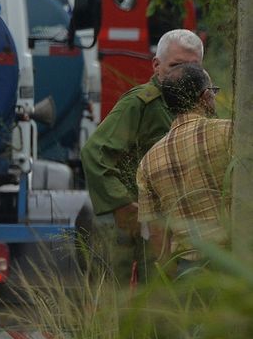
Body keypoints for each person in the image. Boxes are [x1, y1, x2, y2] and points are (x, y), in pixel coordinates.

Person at [81, 28, 204, 281]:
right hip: (144, 229)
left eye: (193, 68)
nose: (184, 74)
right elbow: (96, 153)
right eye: (176, 65)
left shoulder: (200, 105)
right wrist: (124, 205)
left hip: (183, 230)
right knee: (139, 305)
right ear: (156, 65)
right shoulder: (141, 104)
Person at [136, 63, 232, 273]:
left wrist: (171, 277)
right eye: (213, 92)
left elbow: (156, 232)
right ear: (206, 96)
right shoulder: (229, 132)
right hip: (235, 261)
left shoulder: (148, 162)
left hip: (188, 270)